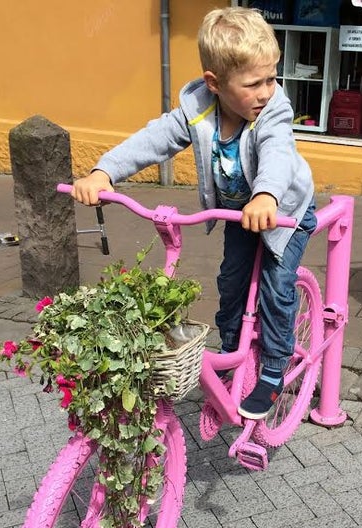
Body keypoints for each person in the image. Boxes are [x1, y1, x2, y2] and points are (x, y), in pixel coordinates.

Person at [71, 7, 315, 419]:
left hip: (283, 213)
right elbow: (155, 138)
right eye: (254, 83)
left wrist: (267, 196)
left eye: (272, 79)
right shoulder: (199, 108)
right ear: (214, 84)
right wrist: (104, 171)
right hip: (242, 215)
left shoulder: (274, 110)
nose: (267, 91)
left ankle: (274, 370)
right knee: (231, 285)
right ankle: (236, 356)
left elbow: (276, 151)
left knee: (276, 288)